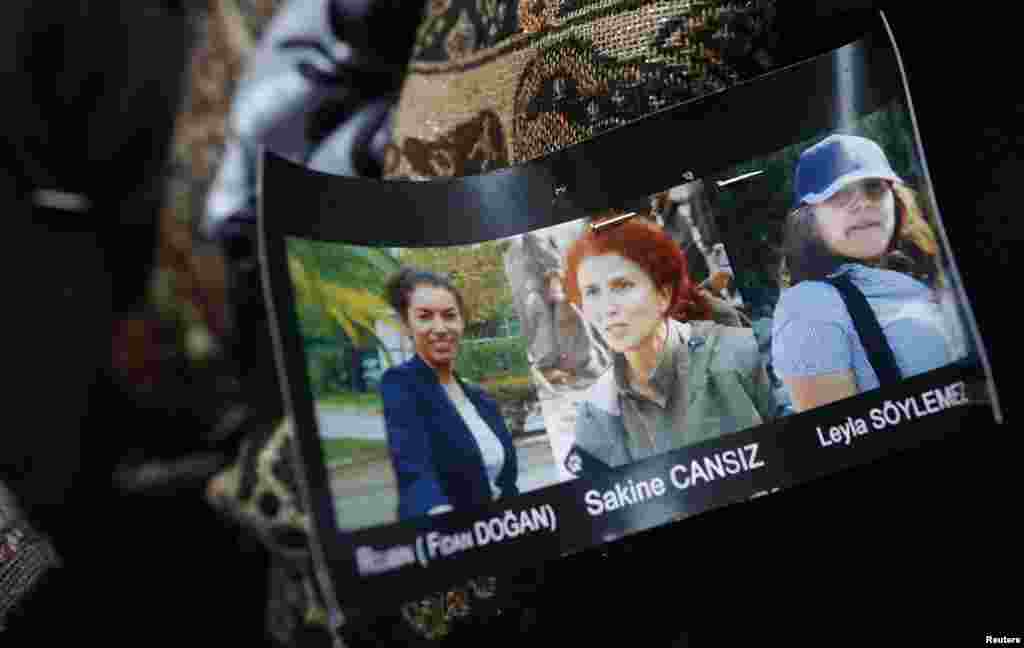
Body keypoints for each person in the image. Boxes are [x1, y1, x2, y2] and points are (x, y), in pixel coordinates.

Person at [562, 216, 775, 472]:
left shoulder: (738, 351)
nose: (607, 308)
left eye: (622, 286)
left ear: (663, 295)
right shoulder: (595, 412)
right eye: (592, 292)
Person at [772, 134, 966, 413]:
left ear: (895, 200)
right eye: (838, 195)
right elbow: (842, 438)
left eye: (873, 187)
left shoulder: (926, 275)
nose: (862, 203)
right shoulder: (807, 305)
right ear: (809, 221)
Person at [381, 268, 519, 519]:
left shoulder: (482, 399)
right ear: (406, 325)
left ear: (461, 321)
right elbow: (414, 471)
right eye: (425, 317)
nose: (440, 328)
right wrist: (438, 515)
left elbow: (508, 484)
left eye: (449, 316)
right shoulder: (401, 385)